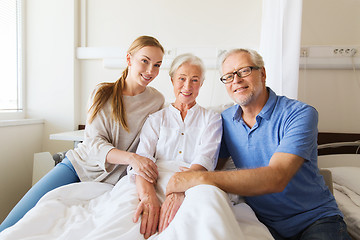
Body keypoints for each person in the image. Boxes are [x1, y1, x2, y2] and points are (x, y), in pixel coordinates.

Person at [166, 49, 351, 240]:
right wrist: (183, 190)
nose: (236, 80)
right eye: (228, 76)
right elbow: (209, 164)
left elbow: (277, 177)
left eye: (244, 71)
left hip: (314, 219)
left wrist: (198, 179)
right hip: (262, 223)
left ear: (262, 73)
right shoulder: (224, 121)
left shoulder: (299, 114)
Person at [0, 35, 165, 232]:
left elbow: (153, 141)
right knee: (15, 222)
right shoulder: (102, 93)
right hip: (77, 166)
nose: (150, 71)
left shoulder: (156, 100)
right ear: (129, 59)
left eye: (157, 65)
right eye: (144, 61)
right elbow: (94, 144)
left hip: (113, 180)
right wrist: (132, 158)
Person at [131, 53, 222, 238]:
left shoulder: (212, 119)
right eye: (182, 79)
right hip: (152, 179)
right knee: (130, 221)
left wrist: (180, 187)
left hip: (195, 182)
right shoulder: (156, 119)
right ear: (172, 80)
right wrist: (148, 196)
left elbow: (205, 160)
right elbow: (142, 160)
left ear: (202, 84)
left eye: (194, 80)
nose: (187, 86)